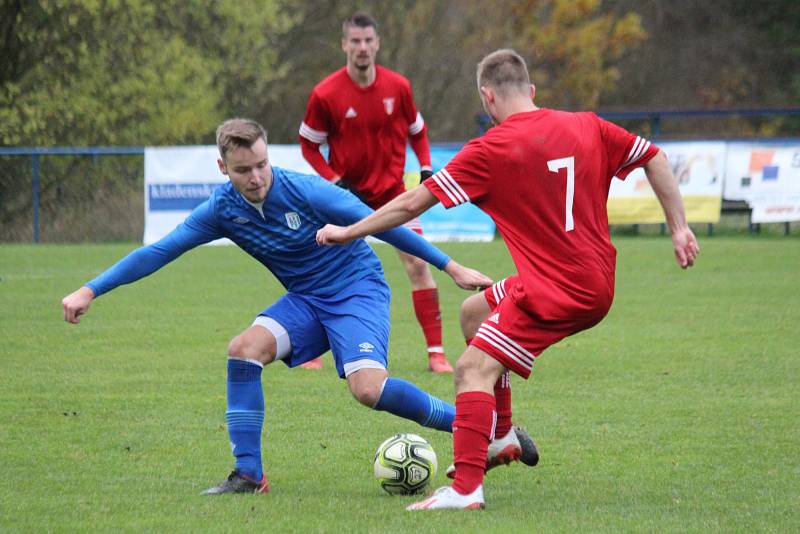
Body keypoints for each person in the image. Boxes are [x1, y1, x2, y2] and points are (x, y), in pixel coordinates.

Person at [316, 49, 700, 510]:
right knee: (474, 314)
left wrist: (349, 230)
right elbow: (654, 157)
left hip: (560, 290)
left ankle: (465, 491)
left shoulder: (490, 149)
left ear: (487, 96)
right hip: (589, 278)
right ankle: (500, 437)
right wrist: (679, 227)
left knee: (471, 369)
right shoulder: (587, 125)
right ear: (532, 91)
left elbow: (412, 202)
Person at [61, 118, 496, 495]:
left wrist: (449, 264)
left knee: (368, 390)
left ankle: (484, 430)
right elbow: (159, 251)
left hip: (356, 290)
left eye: (262, 165)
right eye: (243, 170)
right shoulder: (222, 210)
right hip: (306, 300)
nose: (256, 177)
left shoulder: (306, 191)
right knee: (243, 349)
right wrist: (90, 290)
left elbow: (386, 221)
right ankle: (249, 475)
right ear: (222, 168)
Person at [299, 12, 453, 373]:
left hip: (393, 196)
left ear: (378, 44)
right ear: (344, 45)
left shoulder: (398, 86)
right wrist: (333, 180)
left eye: (368, 41)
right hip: (345, 197)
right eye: (355, 41)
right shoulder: (325, 93)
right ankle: (308, 350)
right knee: (319, 267)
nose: (362, 47)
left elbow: (418, 130)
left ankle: (436, 353)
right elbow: (308, 146)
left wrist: (426, 166)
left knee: (418, 264)